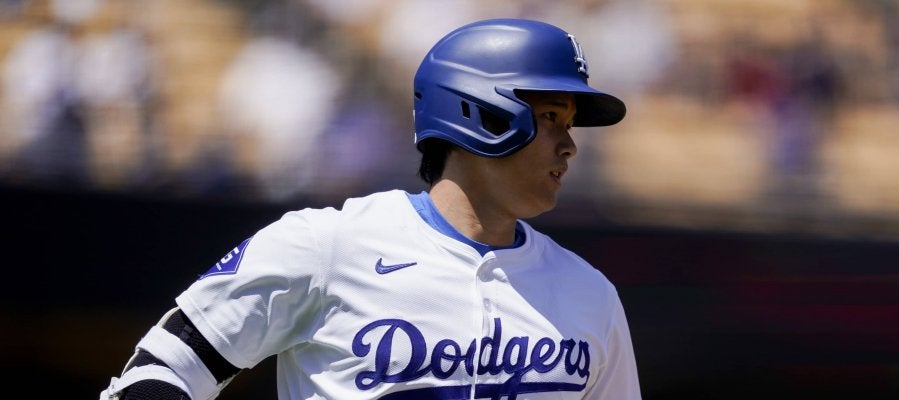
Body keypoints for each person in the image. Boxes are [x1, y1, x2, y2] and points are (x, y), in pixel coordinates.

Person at [100, 18, 641, 400]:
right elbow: (160, 372)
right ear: (480, 112)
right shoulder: (327, 245)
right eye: (550, 117)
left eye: (569, 124)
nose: (569, 146)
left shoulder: (589, 293)